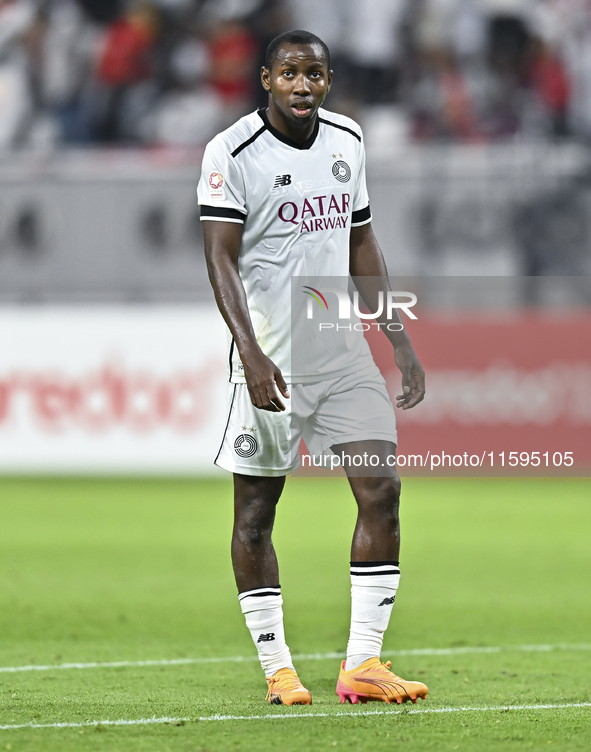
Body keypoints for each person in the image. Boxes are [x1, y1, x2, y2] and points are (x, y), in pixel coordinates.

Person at [198, 29, 428, 707]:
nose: (304, 86)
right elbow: (219, 257)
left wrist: (397, 338)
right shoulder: (231, 152)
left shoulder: (346, 141)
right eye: (291, 73)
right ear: (266, 78)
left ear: (327, 81)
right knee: (256, 514)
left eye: (316, 74)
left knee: (380, 488)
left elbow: (360, 239)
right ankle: (277, 668)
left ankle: (363, 664)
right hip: (270, 352)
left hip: (339, 346)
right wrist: (249, 351)